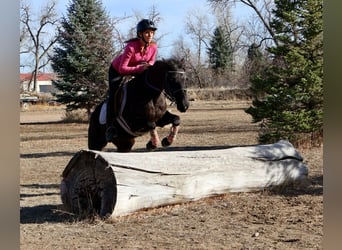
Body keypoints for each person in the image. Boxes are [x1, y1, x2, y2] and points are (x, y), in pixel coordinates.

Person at [106, 19, 158, 142]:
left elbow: (151, 61)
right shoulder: (131, 47)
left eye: (152, 33)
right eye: (147, 33)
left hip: (137, 70)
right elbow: (122, 68)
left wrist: (147, 67)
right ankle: (110, 127)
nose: (150, 35)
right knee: (114, 95)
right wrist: (141, 68)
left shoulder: (153, 47)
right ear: (140, 34)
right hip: (117, 71)